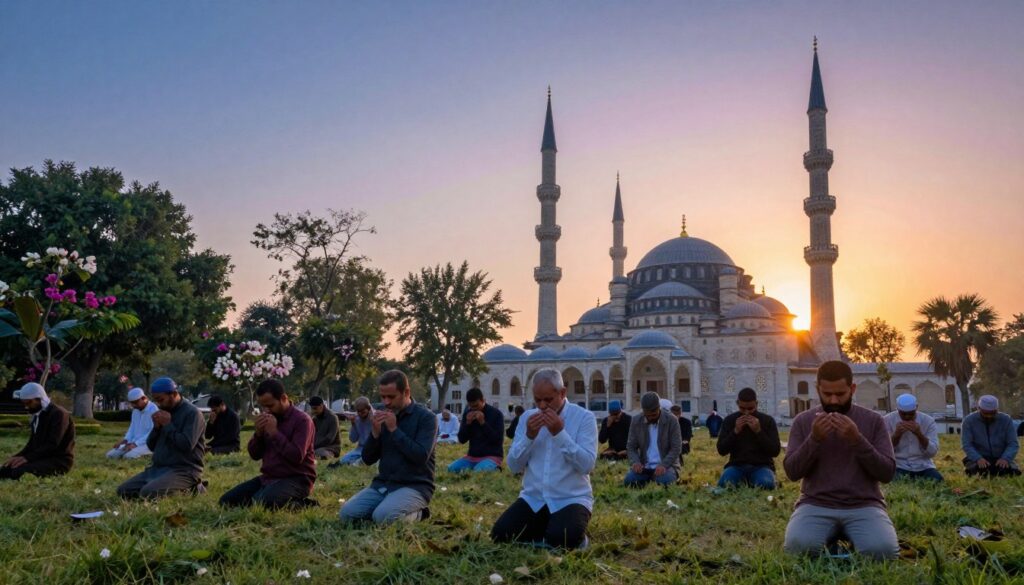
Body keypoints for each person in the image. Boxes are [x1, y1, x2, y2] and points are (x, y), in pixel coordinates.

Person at [782, 361, 899, 560]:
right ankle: (832, 538)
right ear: (817, 389)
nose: (834, 400)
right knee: (797, 549)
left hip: (864, 504)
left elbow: (887, 473)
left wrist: (857, 440)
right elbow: (792, 472)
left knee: (882, 552)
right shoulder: (803, 421)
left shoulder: (873, 421)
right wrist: (815, 439)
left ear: (852, 389)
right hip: (816, 503)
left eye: (840, 394)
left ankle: (847, 539)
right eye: (827, 394)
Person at [491, 369, 597, 550]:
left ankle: (566, 533)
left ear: (562, 393)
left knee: (562, 539)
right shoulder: (526, 418)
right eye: (537, 400)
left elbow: (587, 465)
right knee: (500, 534)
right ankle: (547, 530)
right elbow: (514, 466)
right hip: (534, 498)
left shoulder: (584, 418)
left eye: (548, 400)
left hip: (570, 498)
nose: (542, 406)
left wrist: (559, 433)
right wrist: (529, 437)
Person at [339, 370, 437, 524]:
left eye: (391, 397)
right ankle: (388, 507)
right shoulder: (384, 415)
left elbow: (420, 457)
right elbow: (367, 459)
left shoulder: (426, 418)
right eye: (383, 397)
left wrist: (394, 430)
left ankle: (420, 513)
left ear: (406, 392)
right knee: (347, 514)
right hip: (384, 483)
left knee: (382, 517)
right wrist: (375, 434)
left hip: (415, 485)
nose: (386, 402)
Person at [220, 379, 317, 509]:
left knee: (261, 503)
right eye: (263, 406)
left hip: (297, 479)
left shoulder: (302, 420)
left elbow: (297, 456)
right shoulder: (269, 418)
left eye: (270, 406)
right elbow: (254, 455)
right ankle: (266, 497)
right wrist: (258, 434)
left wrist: (275, 433)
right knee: (227, 501)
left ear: (283, 398)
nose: (266, 410)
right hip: (269, 478)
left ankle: (304, 505)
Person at [117, 377, 206, 499]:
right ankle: (163, 484)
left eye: (161, 400)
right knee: (123, 491)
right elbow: (151, 446)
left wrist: (168, 425)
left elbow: (186, 445)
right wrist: (156, 428)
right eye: (156, 400)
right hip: (158, 469)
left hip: (183, 470)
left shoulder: (193, 413)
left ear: (174, 394)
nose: (158, 404)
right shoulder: (163, 411)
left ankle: (190, 487)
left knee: (148, 493)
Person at [0, 383, 75, 480]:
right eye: (25, 404)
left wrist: (27, 458)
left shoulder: (59, 414)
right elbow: (32, 444)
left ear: (39, 399)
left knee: (18, 471)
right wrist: (16, 457)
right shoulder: (37, 415)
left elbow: (53, 444)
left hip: (59, 461)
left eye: (29, 403)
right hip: (42, 458)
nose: (26, 407)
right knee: (6, 468)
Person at [716, 388, 781, 489]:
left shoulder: (767, 421)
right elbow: (721, 450)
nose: (746, 413)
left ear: (756, 404)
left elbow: (775, 451)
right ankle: (744, 481)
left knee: (766, 484)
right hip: (736, 466)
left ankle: (758, 481)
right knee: (724, 483)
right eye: (742, 408)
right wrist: (735, 431)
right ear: (737, 403)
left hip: (762, 466)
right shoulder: (730, 420)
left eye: (750, 409)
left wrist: (759, 432)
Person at [624, 392, 682, 488]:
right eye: (648, 415)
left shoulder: (672, 420)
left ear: (659, 408)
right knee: (629, 481)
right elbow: (631, 447)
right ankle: (649, 478)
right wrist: (636, 462)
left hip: (667, 466)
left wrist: (664, 465)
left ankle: (656, 478)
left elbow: (676, 448)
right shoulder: (636, 421)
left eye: (654, 415)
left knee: (663, 482)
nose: (650, 418)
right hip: (644, 467)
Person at [883, 393, 942, 482]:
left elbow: (932, 452)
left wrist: (919, 434)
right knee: (893, 480)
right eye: (903, 414)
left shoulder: (928, 421)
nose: (907, 417)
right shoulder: (887, 420)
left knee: (937, 480)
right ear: (897, 409)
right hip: (899, 465)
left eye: (911, 414)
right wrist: (896, 435)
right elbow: (884, 451)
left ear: (916, 408)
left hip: (923, 465)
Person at [961, 395, 1020, 477]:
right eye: (986, 413)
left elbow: (1013, 443)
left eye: (992, 413)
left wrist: (1005, 458)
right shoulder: (969, 421)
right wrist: (978, 458)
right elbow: (967, 445)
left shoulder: (1006, 420)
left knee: (1010, 472)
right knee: (978, 471)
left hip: (1000, 457)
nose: (989, 416)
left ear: (997, 410)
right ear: (979, 408)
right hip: (980, 457)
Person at [448, 388, 505, 472]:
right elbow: (462, 439)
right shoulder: (468, 413)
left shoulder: (496, 414)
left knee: (478, 471)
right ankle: (479, 467)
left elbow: (497, 440)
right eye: (471, 406)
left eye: (476, 406)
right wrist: (467, 423)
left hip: (492, 456)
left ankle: (495, 468)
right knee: (451, 469)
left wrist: (483, 423)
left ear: (483, 401)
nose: (474, 409)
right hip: (472, 457)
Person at [106, 387, 158, 460]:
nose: (133, 405)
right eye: (132, 403)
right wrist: (125, 440)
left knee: (128, 457)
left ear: (144, 398)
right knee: (111, 455)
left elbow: (153, 433)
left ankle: (152, 454)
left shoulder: (154, 410)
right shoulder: (135, 411)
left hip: (148, 444)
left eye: (136, 402)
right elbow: (132, 428)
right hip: (133, 441)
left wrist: (135, 444)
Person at [329, 396, 374, 467]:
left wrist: (374, 423)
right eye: (358, 412)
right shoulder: (357, 418)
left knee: (363, 462)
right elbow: (353, 439)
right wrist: (353, 424)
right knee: (343, 460)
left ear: (368, 408)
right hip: (360, 449)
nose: (360, 414)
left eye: (362, 412)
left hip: (374, 450)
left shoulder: (376, 417)